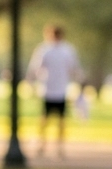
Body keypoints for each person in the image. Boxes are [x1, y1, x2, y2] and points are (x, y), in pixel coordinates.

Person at [26, 24, 83, 157]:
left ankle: (56, 146)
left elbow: (73, 68)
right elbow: (36, 68)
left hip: (59, 89)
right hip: (49, 89)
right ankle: (44, 145)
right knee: (47, 119)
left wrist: (31, 80)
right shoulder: (47, 49)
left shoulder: (63, 50)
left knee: (57, 120)